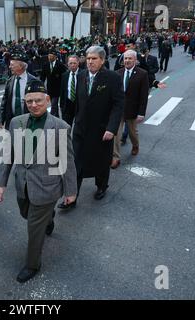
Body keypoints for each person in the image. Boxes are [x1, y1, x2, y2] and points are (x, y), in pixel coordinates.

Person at [0, 80, 77, 283]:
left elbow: (67, 162)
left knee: (33, 228)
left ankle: (32, 264)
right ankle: (49, 218)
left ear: (47, 100)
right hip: (22, 185)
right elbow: (9, 154)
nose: (33, 105)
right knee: (26, 214)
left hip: (47, 187)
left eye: (38, 100)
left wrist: (71, 191)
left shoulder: (60, 127)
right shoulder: (16, 122)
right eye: (29, 101)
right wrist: (1, 182)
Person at [58, 46, 123, 210]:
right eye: (87, 58)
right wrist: (67, 122)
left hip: (102, 130)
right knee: (76, 162)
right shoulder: (80, 76)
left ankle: (101, 186)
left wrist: (111, 128)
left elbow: (118, 105)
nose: (90, 61)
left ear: (102, 60)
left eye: (94, 58)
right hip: (81, 128)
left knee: (101, 161)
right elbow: (75, 103)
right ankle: (72, 196)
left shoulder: (113, 78)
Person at [111, 50, 149, 169]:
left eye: (129, 58)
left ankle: (135, 145)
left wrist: (141, 113)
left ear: (135, 60)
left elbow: (144, 96)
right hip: (118, 110)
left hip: (133, 110)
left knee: (133, 133)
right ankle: (115, 157)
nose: (127, 61)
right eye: (125, 58)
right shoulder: (117, 73)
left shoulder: (142, 74)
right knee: (116, 134)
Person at [0, 53, 38, 129]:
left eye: (12, 65)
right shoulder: (10, 81)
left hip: (29, 121)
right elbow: (4, 101)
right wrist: (0, 119)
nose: (9, 67)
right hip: (12, 121)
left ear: (21, 66)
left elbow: (39, 103)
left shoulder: (33, 81)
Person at [40, 49, 67, 117]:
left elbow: (65, 76)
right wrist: (41, 86)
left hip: (58, 88)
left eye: (51, 56)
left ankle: (52, 117)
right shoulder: (46, 65)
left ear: (55, 57)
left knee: (54, 104)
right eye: (49, 56)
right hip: (49, 88)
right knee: (53, 103)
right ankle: (56, 116)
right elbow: (42, 76)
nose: (49, 57)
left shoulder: (60, 65)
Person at [59, 55, 79, 126]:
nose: (72, 65)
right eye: (70, 63)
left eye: (74, 63)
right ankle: (66, 137)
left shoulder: (83, 74)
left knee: (79, 127)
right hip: (67, 105)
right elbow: (62, 91)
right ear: (67, 64)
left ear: (78, 63)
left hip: (79, 105)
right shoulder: (65, 75)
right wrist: (61, 105)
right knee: (66, 127)